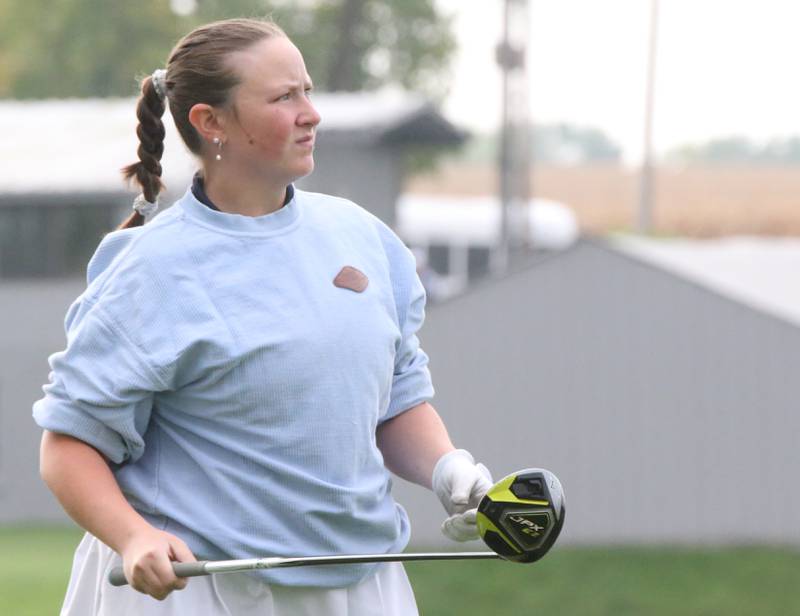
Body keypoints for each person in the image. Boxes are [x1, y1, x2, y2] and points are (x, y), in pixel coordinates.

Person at [33, 17, 493, 616]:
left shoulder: (363, 237)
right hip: (200, 592)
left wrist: (446, 468)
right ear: (211, 121)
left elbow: (394, 400)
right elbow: (69, 444)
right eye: (284, 97)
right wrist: (133, 535)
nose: (311, 113)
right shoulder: (150, 270)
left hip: (361, 588)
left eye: (308, 90)